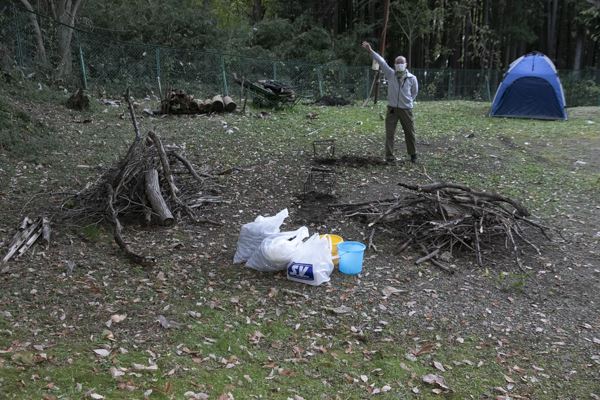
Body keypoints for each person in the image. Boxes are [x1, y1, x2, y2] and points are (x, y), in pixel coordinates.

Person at [362, 41, 419, 163]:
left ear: (406, 64)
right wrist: (370, 50)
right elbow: (381, 61)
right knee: (389, 133)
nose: (399, 65)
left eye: (401, 63)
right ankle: (389, 156)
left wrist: (408, 102)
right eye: (397, 63)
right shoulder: (390, 74)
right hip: (392, 109)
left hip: (406, 109)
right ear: (394, 64)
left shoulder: (412, 78)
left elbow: (414, 93)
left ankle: (413, 154)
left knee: (410, 132)